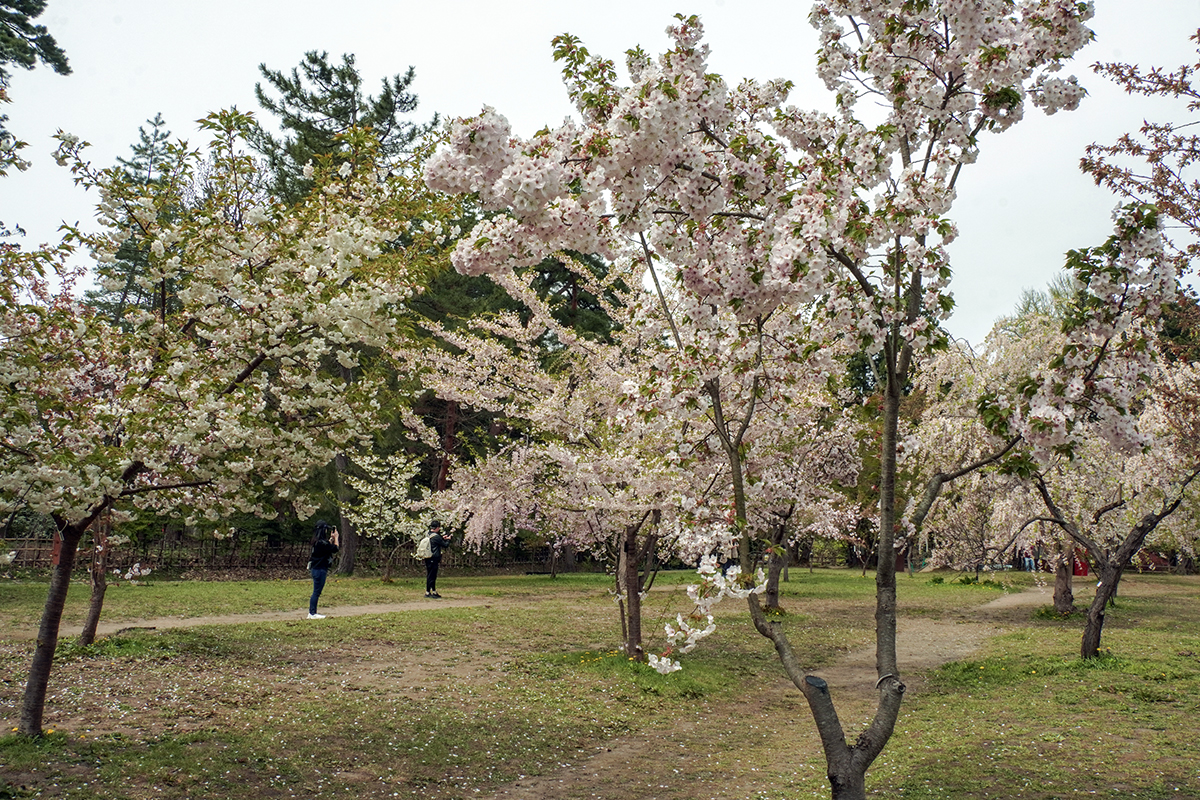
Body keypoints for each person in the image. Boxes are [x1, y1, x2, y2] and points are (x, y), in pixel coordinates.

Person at [307, 520, 339, 619]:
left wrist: (331, 539)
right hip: (320, 569)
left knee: (316, 591)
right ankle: (312, 613)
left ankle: (312, 612)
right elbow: (335, 549)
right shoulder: (322, 543)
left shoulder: (317, 542)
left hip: (315, 568)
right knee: (316, 592)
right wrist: (336, 538)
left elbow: (327, 547)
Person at [424, 520, 450, 598]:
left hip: (427, 557)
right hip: (434, 557)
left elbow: (435, 541)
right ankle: (428, 592)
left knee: (430, 574)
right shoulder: (436, 536)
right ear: (437, 528)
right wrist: (448, 539)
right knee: (432, 575)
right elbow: (445, 545)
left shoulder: (428, 534)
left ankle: (432, 591)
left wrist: (442, 538)